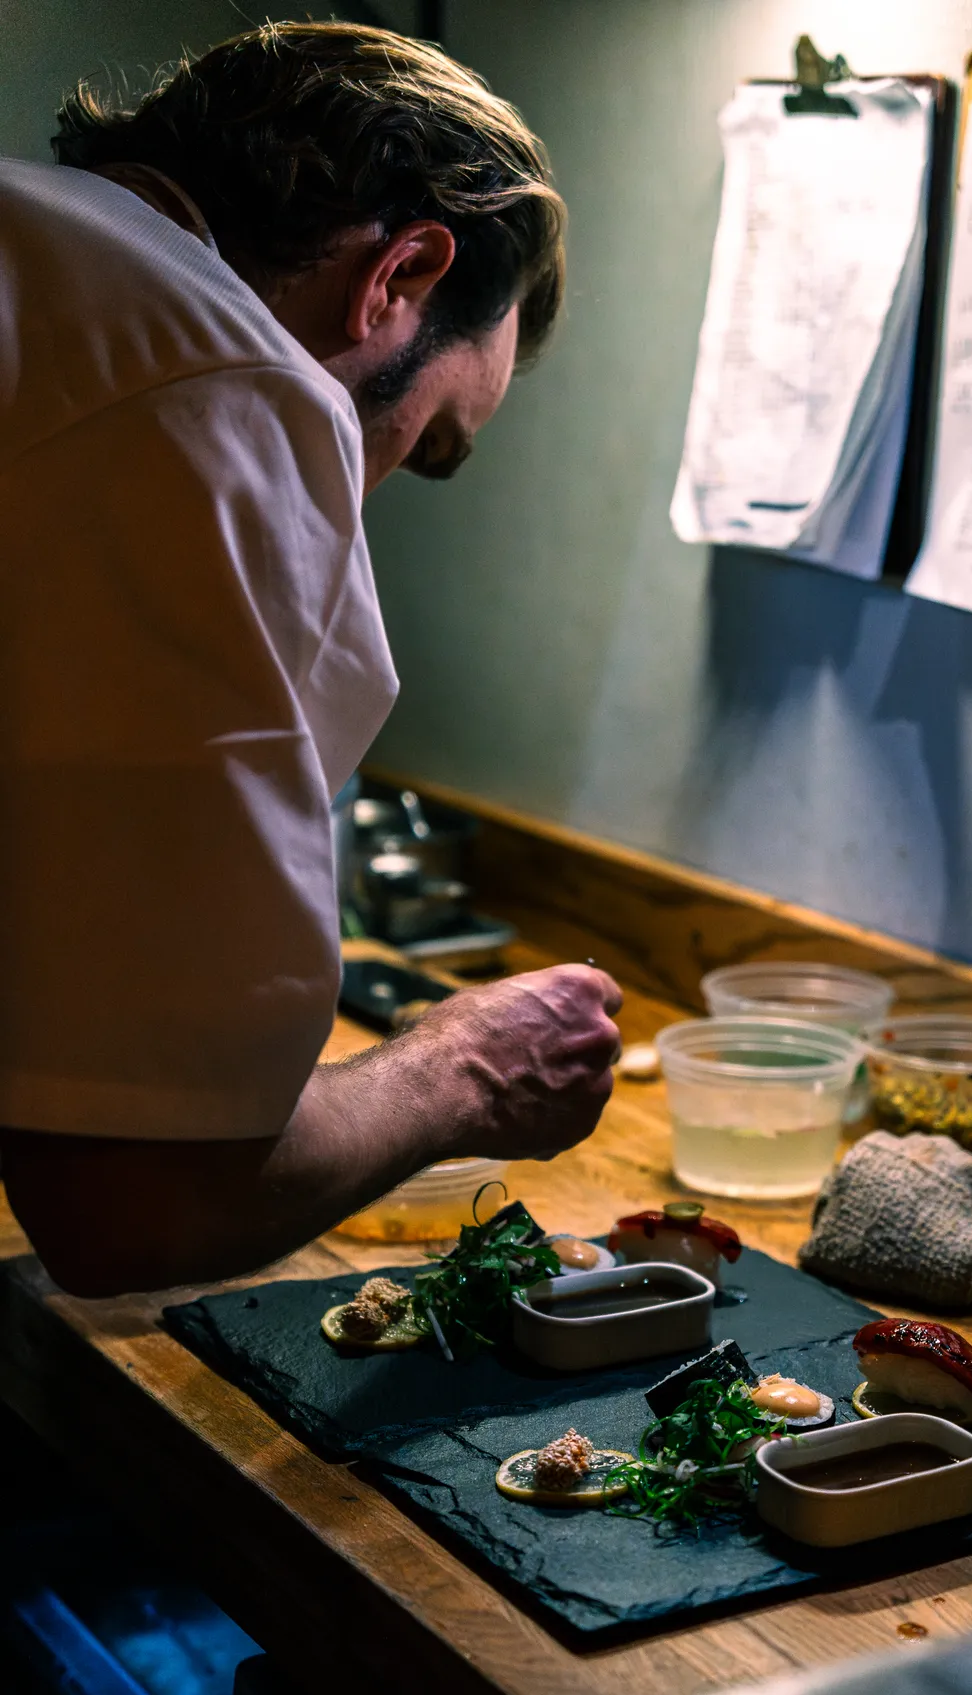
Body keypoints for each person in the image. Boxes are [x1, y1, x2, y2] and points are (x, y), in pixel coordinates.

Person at [0, 21, 622, 1296]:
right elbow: (136, 1207)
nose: (360, 485)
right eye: (415, 442)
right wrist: (464, 1068)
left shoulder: (43, 260)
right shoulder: (217, 384)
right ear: (398, 274)